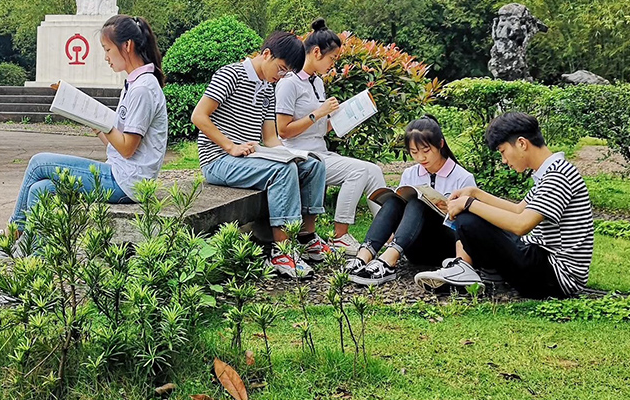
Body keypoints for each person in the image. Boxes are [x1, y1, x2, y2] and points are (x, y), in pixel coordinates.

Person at [0, 14, 168, 263]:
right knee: (41, 190)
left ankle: (10, 238)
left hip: (127, 182)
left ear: (126, 45)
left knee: (39, 163)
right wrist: (94, 122)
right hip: (122, 175)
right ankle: (35, 260)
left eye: (107, 49)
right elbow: (119, 146)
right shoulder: (135, 84)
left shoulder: (142, 89)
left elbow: (128, 148)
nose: (106, 57)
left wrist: (105, 123)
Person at [192, 31, 330, 278]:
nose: (280, 76)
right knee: (282, 171)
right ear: (267, 54)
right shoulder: (230, 74)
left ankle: (306, 237)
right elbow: (199, 116)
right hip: (218, 160)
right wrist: (230, 146)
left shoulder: (268, 87)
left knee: (313, 164)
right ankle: (282, 252)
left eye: (286, 73)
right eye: (281, 69)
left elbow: (271, 139)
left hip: (248, 158)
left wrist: (295, 155)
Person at [413, 112, 593, 298]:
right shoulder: (551, 172)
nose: (504, 160)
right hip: (544, 263)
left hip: (556, 277)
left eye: (503, 151)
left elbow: (521, 224)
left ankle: (466, 272)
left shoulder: (558, 175)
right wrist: (475, 194)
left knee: (468, 219)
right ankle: (469, 270)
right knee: (472, 212)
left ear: (522, 143)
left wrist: (469, 204)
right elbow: (518, 209)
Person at [276, 18, 387, 255]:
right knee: (358, 171)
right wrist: (318, 113)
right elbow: (282, 130)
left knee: (374, 171)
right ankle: (340, 236)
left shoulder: (317, 82)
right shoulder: (288, 84)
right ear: (316, 52)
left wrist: (345, 119)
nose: (333, 64)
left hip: (320, 150)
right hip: (300, 154)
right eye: (332, 58)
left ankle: (389, 235)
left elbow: (318, 127)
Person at [345, 116, 476, 286]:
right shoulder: (410, 174)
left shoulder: (462, 177)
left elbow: (472, 225)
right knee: (395, 201)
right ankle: (363, 257)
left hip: (447, 248)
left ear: (440, 144)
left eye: (426, 150)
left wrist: (449, 210)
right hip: (414, 247)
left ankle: (388, 261)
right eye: (414, 152)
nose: (421, 157)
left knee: (418, 202)